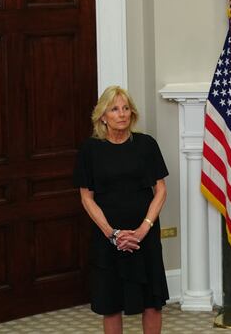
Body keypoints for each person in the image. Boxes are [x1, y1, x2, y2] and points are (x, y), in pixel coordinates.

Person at [73, 86, 169, 334]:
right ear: (102, 116)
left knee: (152, 301)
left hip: (144, 236)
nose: (122, 114)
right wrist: (112, 234)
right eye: (115, 109)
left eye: (126, 108)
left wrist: (143, 229)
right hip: (107, 238)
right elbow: (86, 197)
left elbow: (160, 190)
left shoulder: (146, 145)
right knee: (111, 304)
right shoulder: (90, 150)